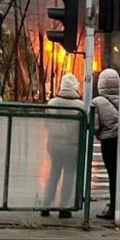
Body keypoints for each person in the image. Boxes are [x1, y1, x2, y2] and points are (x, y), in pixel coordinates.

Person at [41, 73, 86, 219]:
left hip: (55, 145)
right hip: (72, 146)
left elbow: (47, 123)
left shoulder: (52, 103)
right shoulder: (80, 106)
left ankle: (46, 204)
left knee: (53, 173)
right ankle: (64, 208)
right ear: (75, 87)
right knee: (68, 175)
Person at [91, 68, 120, 221]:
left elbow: (95, 126)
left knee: (112, 174)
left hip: (108, 142)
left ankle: (113, 208)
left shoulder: (97, 101)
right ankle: (118, 204)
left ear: (101, 84)